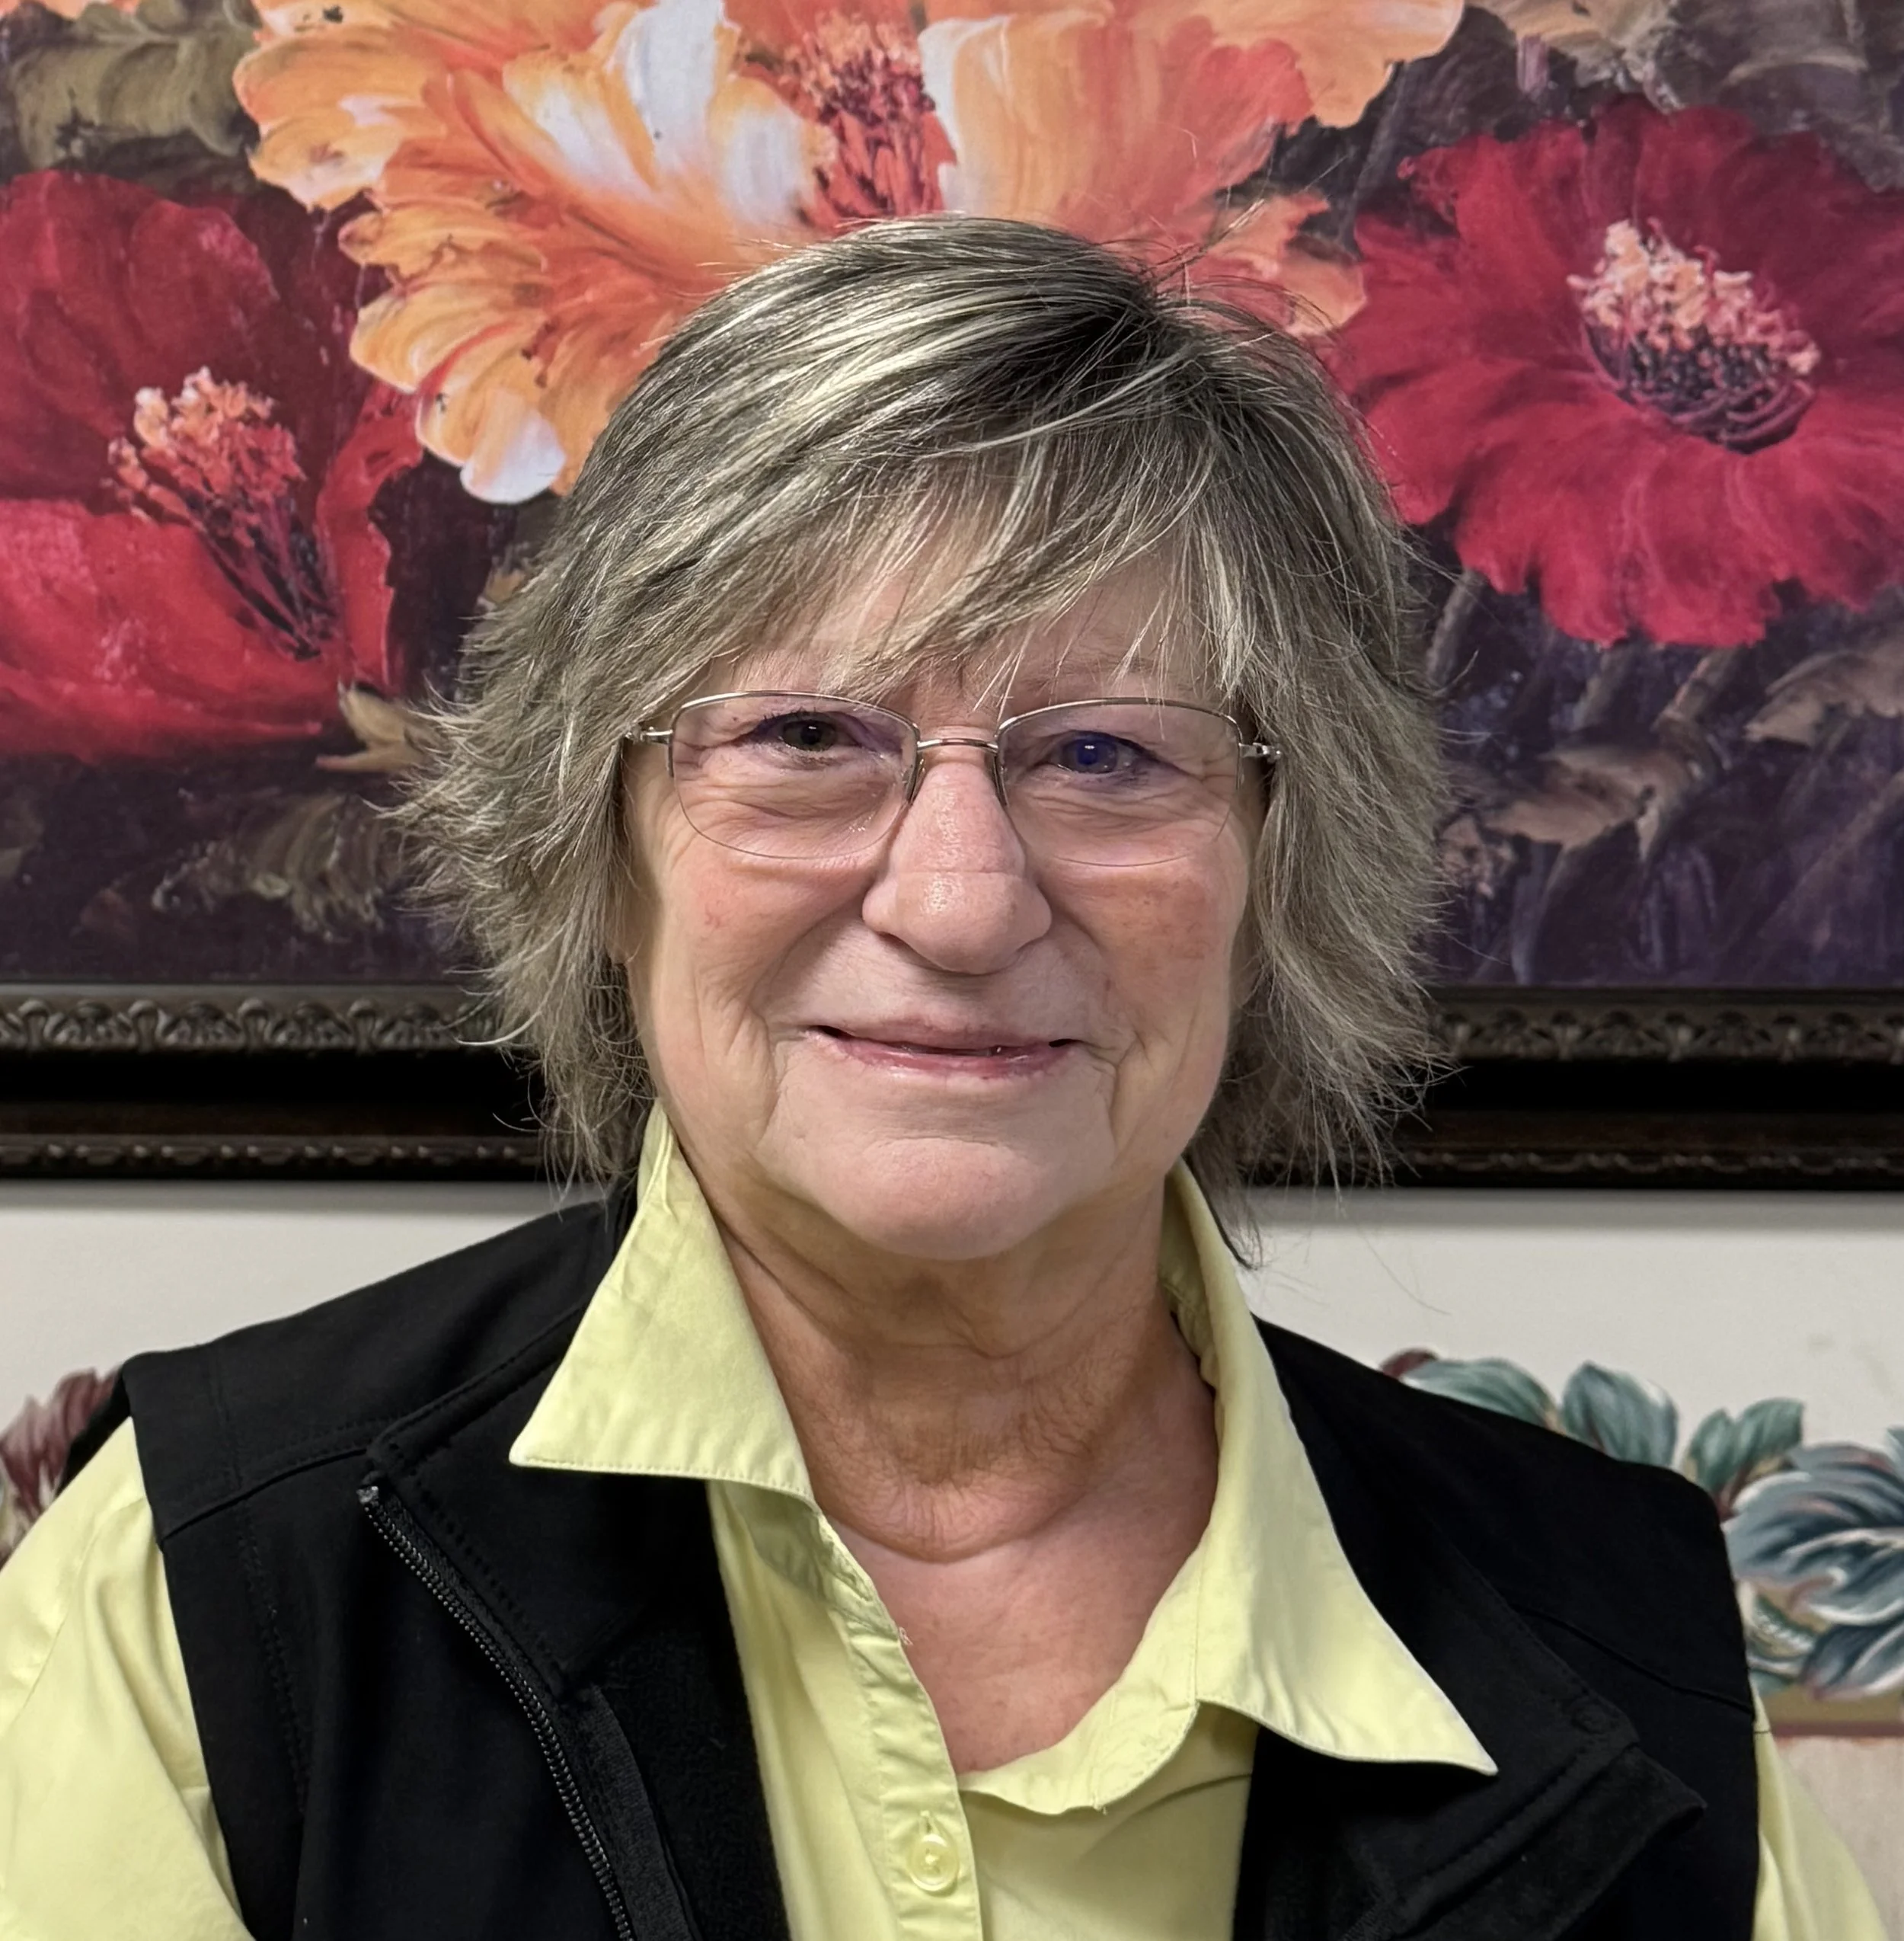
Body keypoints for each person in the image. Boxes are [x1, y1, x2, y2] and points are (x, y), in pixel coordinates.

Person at [0, 217, 1881, 1941]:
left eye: (1101, 753)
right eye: (808, 735)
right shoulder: (197, 1585)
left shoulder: (1626, 1644)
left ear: (1273, 864)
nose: (963, 898)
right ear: (604, 834)